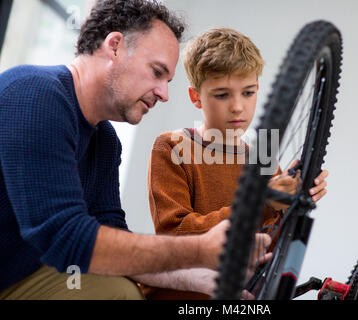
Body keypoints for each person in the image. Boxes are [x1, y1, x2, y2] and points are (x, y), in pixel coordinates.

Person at [0, 0, 271, 300]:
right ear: (114, 46)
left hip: (24, 273)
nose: (164, 94)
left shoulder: (104, 141)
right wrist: (199, 249)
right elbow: (64, 237)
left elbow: (112, 235)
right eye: (157, 72)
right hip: (20, 272)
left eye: (167, 81)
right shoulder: (35, 93)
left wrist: (201, 280)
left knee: (122, 291)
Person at [146, 28, 329, 300]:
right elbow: (175, 235)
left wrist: (293, 193)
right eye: (222, 95)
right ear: (195, 97)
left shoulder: (263, 152)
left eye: (248, 92)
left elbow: (271, 245)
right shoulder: (171, 146)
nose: (237, 107)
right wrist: (261, 204)